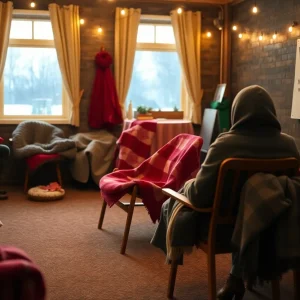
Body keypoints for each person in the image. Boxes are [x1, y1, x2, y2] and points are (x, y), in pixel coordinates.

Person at [151, 85, 300, 299]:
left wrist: (186, 186)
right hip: (266, 225)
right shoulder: (289, 145)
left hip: (221, 231)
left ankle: (168, 201)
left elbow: (200, 196)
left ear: (237, 112)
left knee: (180, 197)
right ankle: (236, 275)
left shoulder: (224, 144)